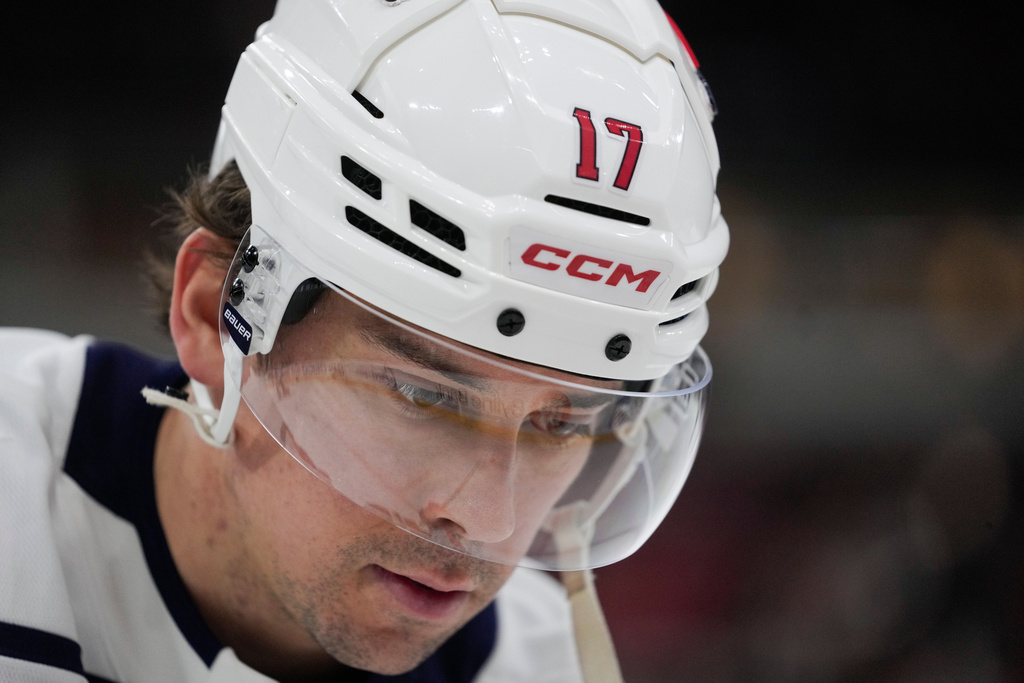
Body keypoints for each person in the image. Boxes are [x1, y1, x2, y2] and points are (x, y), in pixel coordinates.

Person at [0, 0, 728, 680]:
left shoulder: (537, 662)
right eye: (420, 394)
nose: (485, 521)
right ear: (215, 314)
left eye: (559, 422)